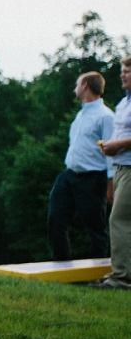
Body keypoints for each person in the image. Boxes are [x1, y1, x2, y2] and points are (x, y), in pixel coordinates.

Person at [47, 71, 114, 261]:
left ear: (85, 86)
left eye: (77, 84)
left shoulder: (105, 116)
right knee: (55, 218)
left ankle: (97, 271)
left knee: (95, 227)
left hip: (93, 178)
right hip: (69, 176)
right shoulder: (81, 114)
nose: (74, 88)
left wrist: (110, 183)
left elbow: (110, 152)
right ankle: (60, 263)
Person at [92, 57, 131, 290]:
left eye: (128, 71)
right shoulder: (123, 104)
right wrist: (110, 145)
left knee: (120, 219)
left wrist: (118, 146)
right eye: (122, 72)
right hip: (120, 166)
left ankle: (121, 278)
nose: (123, 75)